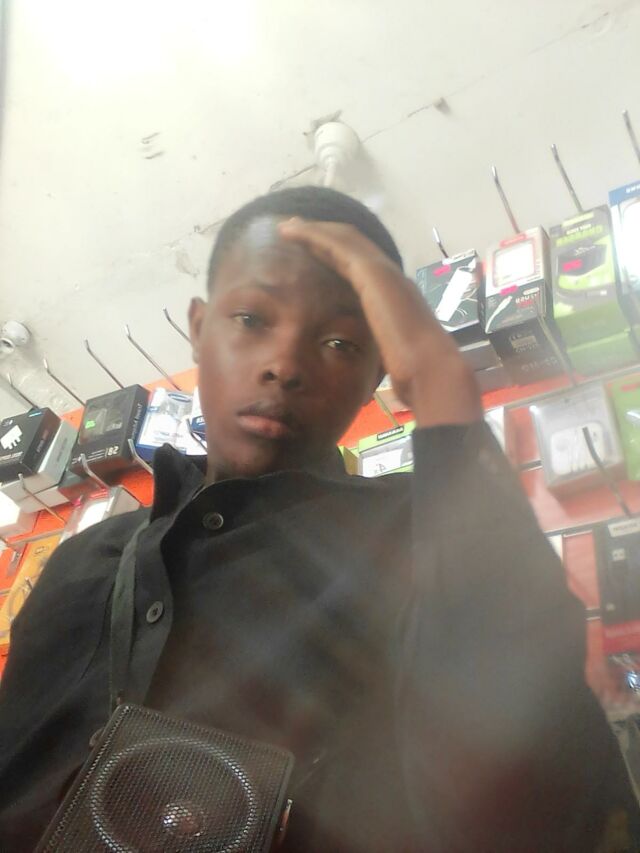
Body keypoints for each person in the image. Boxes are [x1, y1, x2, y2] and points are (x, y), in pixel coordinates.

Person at [0, 186, 637, 852]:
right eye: (251, 318)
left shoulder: (416, 538)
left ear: (375, 375)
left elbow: (546, 794)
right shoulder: (83, 564)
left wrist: (441, 389)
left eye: (340, 341)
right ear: (199, 329)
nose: (284, 366)